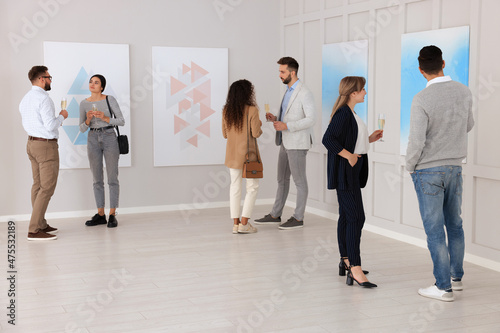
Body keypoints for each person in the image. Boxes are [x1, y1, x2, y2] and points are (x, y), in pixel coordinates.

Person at [406, 45, 474, 301]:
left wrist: (410, 166)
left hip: (428, 170)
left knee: (435, 230)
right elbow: (468, 124)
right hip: (455, 167)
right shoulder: (464, 91)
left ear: (421, 70)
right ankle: (456, 279)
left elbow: (416, 140)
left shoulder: (421, 99)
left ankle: (442, 287)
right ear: (443, 63)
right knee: (455, 225)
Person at [322, 76, 382, 288]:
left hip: (353, 170)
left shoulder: (351, 113)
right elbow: (327, 139)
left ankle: (345, 260)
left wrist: (369, 140)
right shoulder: (343, 113)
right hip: (346, 171)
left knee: (348, 216)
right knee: (357, 217)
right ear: (352, 93)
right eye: (362, 90)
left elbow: (350, 139)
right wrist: (348, 156)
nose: (365, 92)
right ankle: (354, 267)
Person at [254, 57, 315, 230]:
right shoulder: (288, 91)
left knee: (300, 181)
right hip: (285, 141)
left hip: (297, 143)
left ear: (292, 72)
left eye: (282, 72)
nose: (279, 75)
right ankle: (275, 214)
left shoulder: (305, 92)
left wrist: (287, 125)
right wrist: (276, 119)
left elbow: (311, 119)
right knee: (281, 179)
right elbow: (290, 115)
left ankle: (298, 218)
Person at [19, 66, 68, 241]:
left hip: (31, 144)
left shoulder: (25, 99)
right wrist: (62, 116)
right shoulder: (44, 99)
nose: (50, 80)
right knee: (47, 187)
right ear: (42, 79)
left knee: (38, 186)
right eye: (49, 77)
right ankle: (34, 230)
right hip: (46, 146)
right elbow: (50, 126)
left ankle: (40, 223)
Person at [79, 74, 125, 228]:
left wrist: (105, 118)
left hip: (109, 136)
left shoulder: (109, 99)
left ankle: (112, 214)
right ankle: (100, 214)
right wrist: (87, 120)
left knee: (112, 177)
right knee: (96, 178)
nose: (92, 84)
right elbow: (81, 128)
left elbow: (121, 120)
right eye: (91, 82)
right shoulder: (84, 103)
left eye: (96, 82)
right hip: (92, 137)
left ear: (102, 87)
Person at [222, 79, 263, 234]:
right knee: (252, 188)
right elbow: (256, 133)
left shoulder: (226, 110)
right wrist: (259, 123)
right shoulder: (252, 110)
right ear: (247, 93)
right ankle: (244, 224)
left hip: (232, 155)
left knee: (234, 187)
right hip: (249, 155)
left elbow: (225, 134)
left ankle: (235, 224)